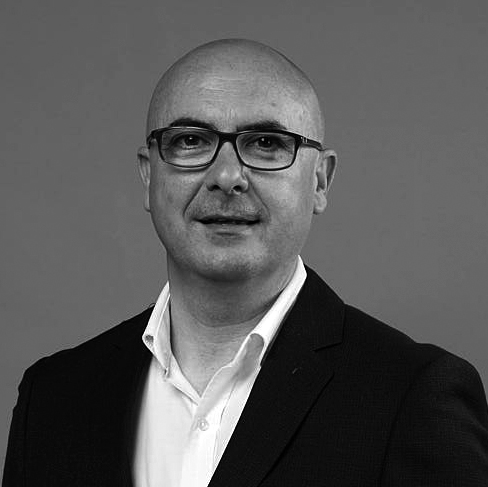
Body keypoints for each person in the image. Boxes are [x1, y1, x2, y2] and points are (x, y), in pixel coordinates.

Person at [3, 39, 488, 487]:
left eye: (266, 144)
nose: (227, 176)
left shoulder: (413, 396)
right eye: (190, 141)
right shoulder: (54, 398)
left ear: (320, 181)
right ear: (149, 177)